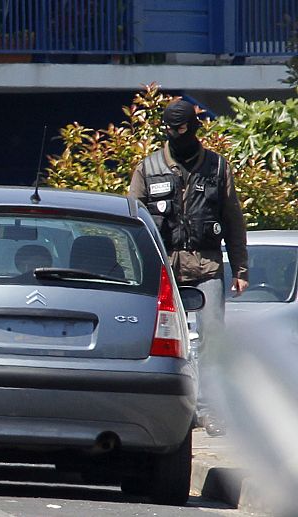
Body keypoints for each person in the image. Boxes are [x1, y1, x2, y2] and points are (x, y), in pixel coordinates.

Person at [129, 98, 249, 437]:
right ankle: (168, 408)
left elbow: (233, 221)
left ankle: (210, 410)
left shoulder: (217, 167)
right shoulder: (148, 168)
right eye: (168, 128)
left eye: (180, 128)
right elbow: (134, 223)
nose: (174, 134)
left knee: (212, 338)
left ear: (194, 128)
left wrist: (240, 270)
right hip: (164, 270)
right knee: (164, 340)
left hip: (207, 267)